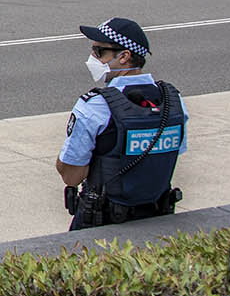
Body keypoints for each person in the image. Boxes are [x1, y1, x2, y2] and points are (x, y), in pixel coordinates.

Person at [56, 18, 186, 231]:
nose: (93, 58)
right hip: (158, 219)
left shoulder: (95, 105)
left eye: (99, 52)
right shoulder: (173, 101)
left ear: (124, 56)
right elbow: (168, 156)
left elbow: (71, 175)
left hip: (103, 223)